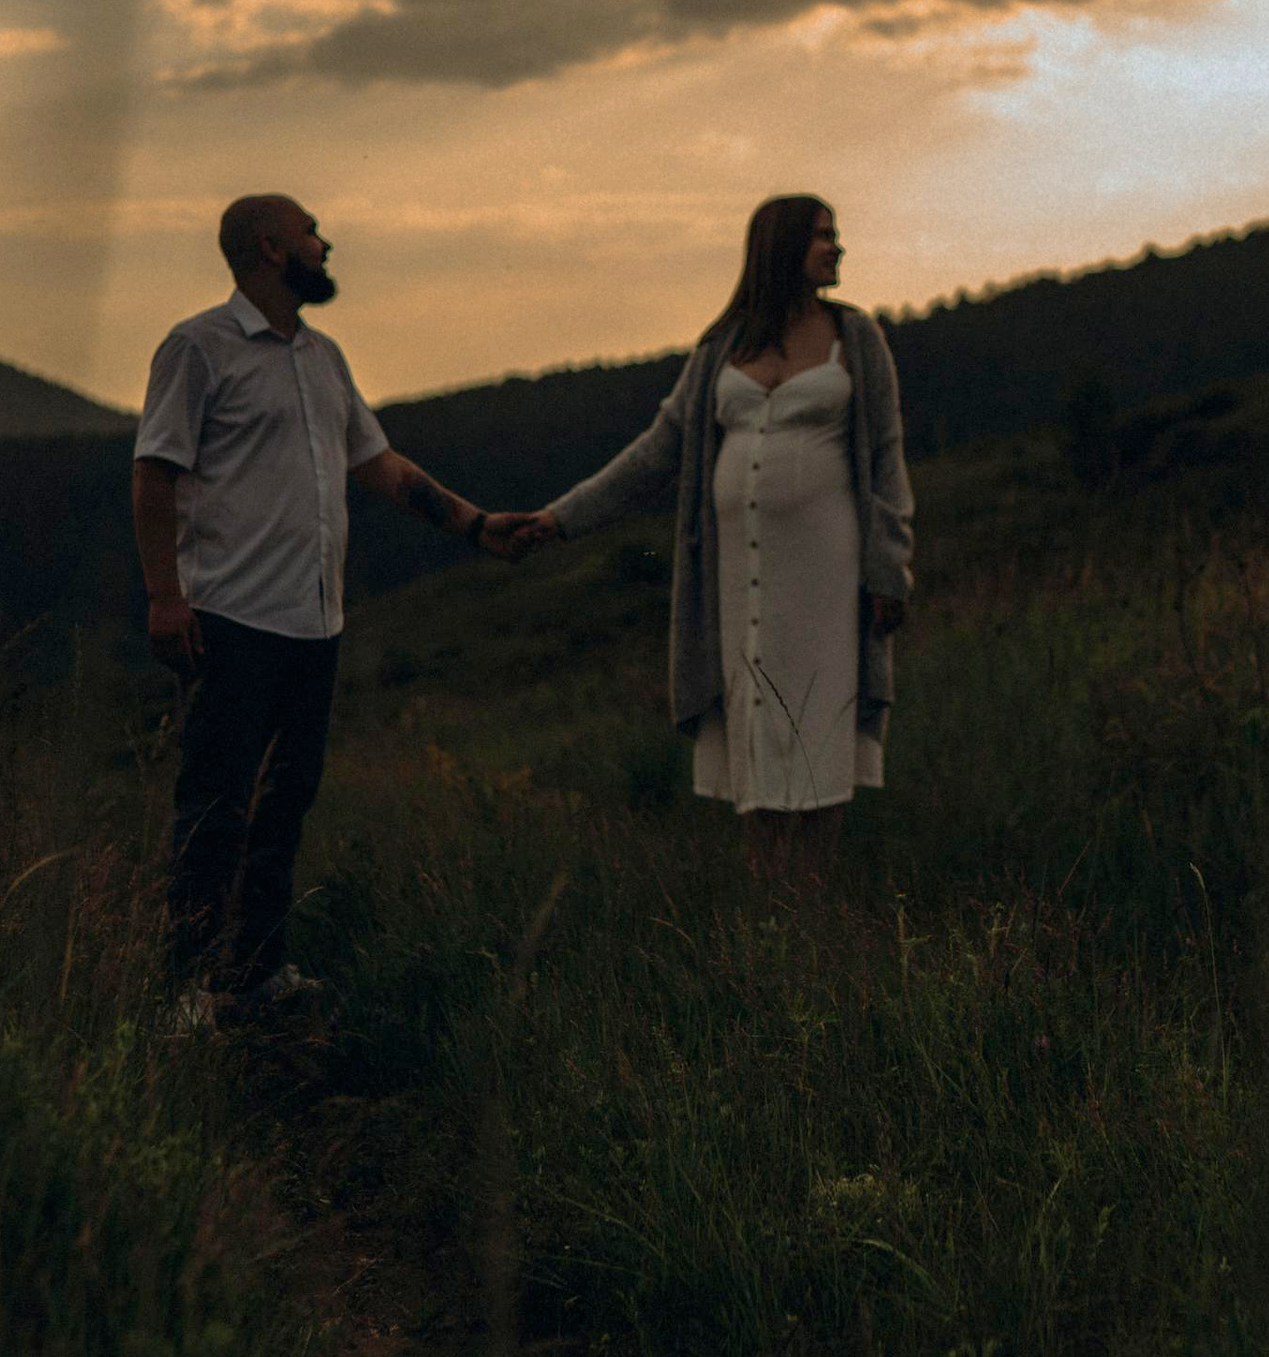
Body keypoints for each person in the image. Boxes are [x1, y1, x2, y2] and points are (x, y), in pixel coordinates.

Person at [133, 190, 509, 1021]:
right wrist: (165, 596)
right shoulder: (198, 348)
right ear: (270, 246)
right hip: (231, 618)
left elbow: (379, 466)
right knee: (216, 805)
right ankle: (185, 991)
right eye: (310, 231)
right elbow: (155, 470)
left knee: (285, 801)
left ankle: (256, 974)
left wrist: (475, 525)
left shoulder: (323, 357)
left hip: (315, 623)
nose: (325, 243)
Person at [502, 196, 912, 849]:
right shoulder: (723, 347)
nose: (837, 248)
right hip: (740, 576)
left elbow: (887, 458)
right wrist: (560, 518)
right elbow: (656, 451)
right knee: (751, 725)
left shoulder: (855, 338)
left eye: (836, 236)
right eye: (822, 237)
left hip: (826, 575)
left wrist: (889, 568)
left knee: (821, 731)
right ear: (780, 247)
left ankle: (813, 905)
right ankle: (768, 910)